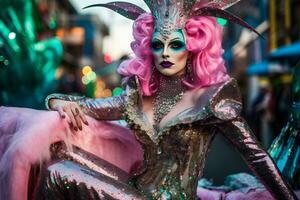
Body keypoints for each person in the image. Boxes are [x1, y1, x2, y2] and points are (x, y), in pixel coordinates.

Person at [0, 0, 297, 199]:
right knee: (56, 156)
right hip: (136, 188)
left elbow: (257, 156)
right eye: (158, 45)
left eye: (175, 44)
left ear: (193, 47)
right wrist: (57, 101)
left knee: (58, 174)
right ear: (148, 49)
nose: (165, 53)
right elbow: (89, 106)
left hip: (174, 196)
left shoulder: (214, 98)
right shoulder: (137, 95)